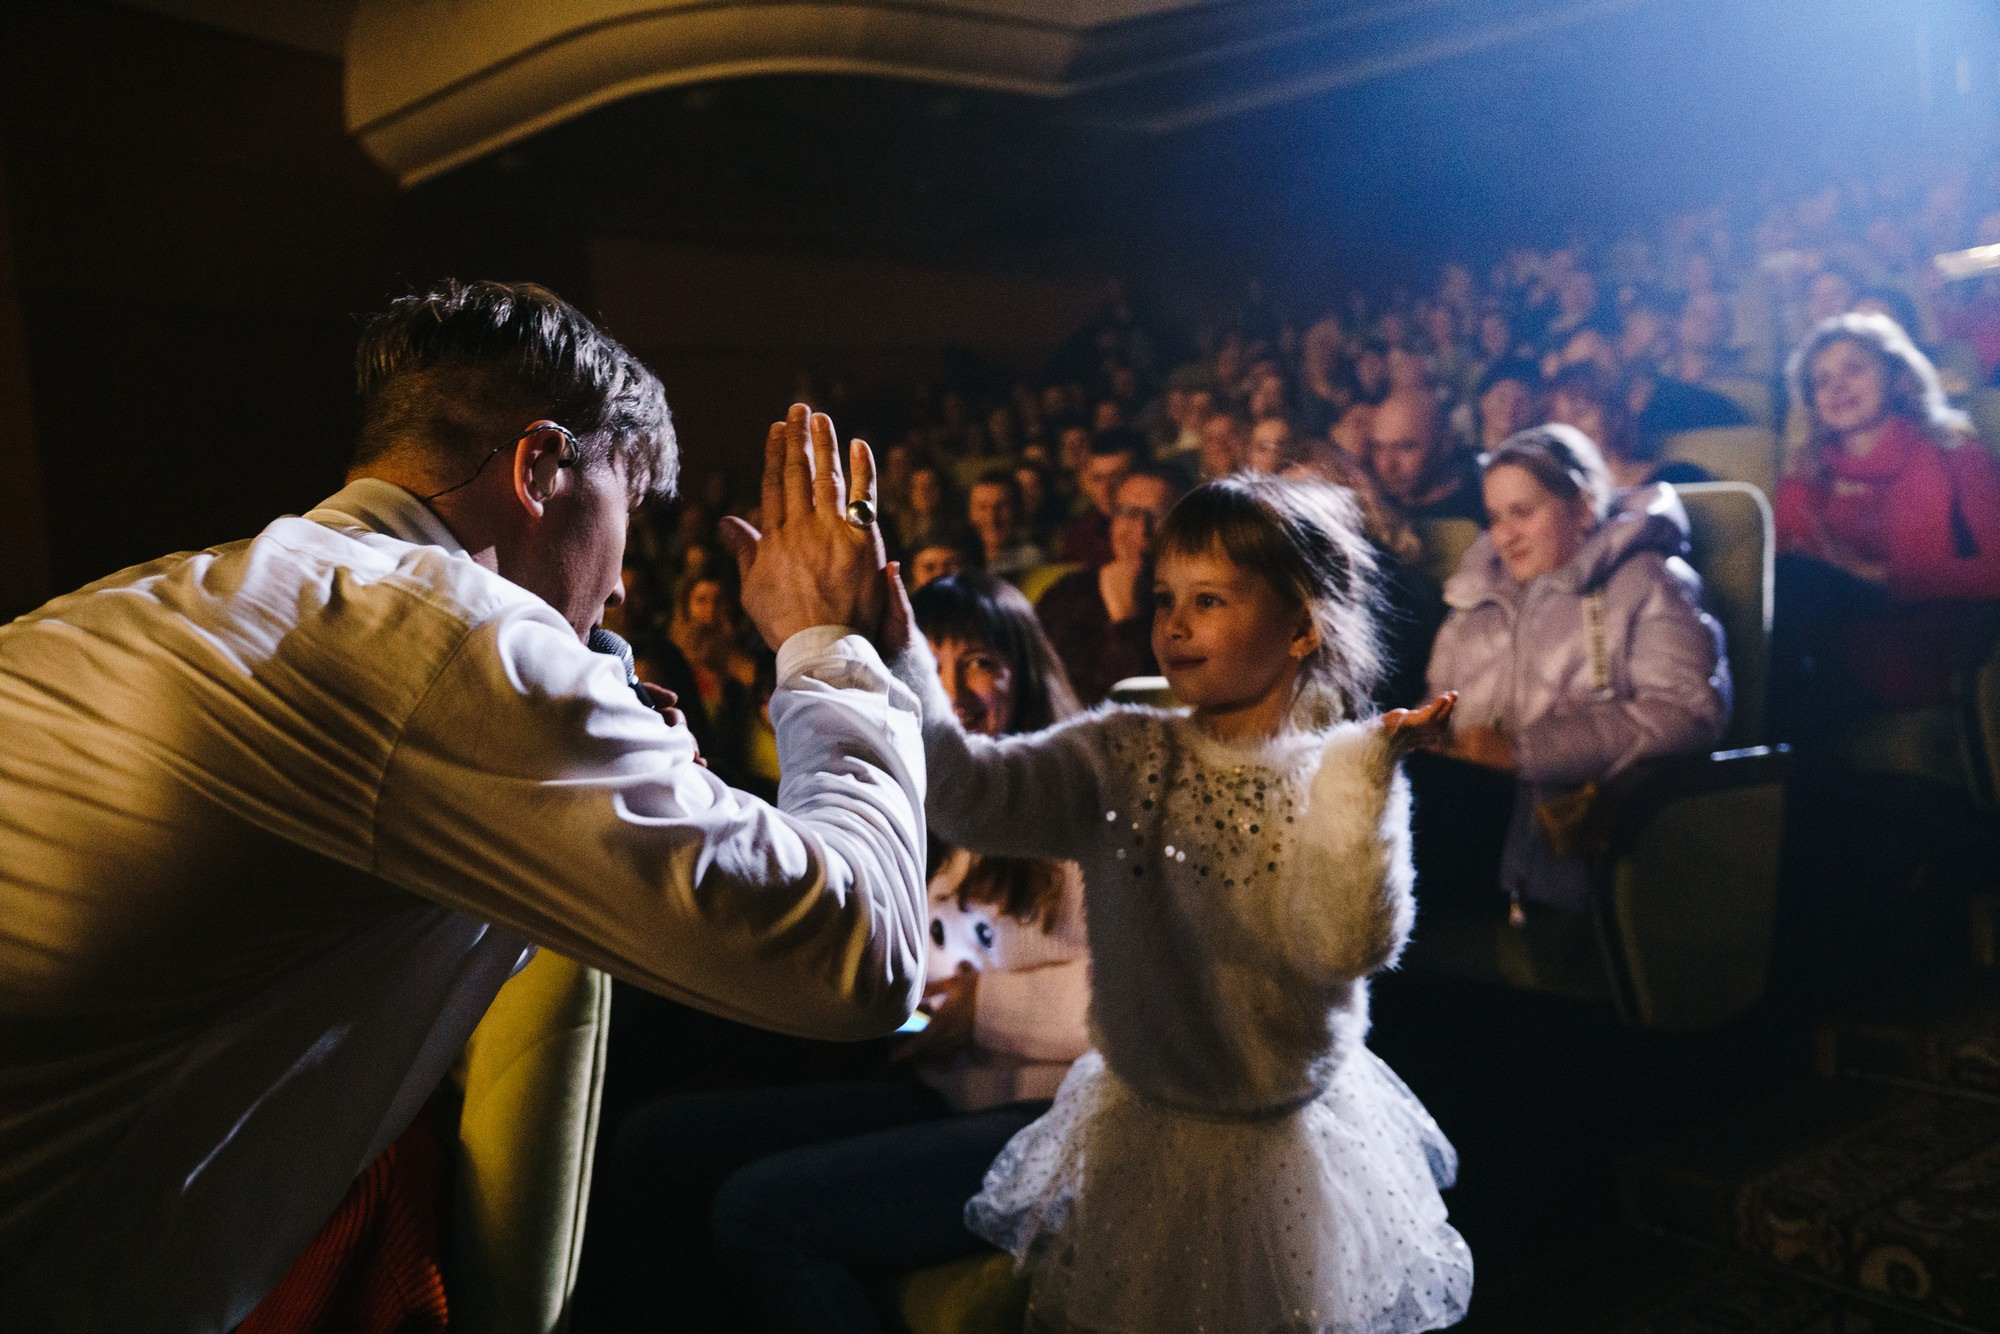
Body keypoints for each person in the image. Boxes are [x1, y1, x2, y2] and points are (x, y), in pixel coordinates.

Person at [0, 281, 929, 1330]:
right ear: (539, 468)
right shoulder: (444, 631)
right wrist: (827, 645)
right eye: (620, 515)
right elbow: (860, 949)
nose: (619, 589)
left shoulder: (188, 590)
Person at [884, 475, 1474, 1334]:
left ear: (1303, 624)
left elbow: (1345, 942)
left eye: (1209, 600)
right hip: (1150, 1128)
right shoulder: (1120, 752)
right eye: (1165, 598)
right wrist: (896, 648)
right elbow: (968, 797)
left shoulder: (1341, 773)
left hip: (1284, 1144)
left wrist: (1366, 777)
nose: (1174, 623)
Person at [584, 573, 1090, 1334]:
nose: (956, 692)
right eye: (935, 668)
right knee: (657, 1142)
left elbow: (1148, 1006)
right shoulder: (937, 813)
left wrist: (984, 1010)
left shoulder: (1079, 807)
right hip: (942, 1088)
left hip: (1052, 1118)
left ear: (1028, 673)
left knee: (760, 1214)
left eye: (982, 662)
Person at [1421, 425, 1730, 916]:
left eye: (1523, 512)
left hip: (1569, 834)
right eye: (1494, 517)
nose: (1503, 535)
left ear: (1583, 507)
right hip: (1472, 814)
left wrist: (1522, 751)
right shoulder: (1476, 599)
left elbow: (1687, 714)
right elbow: (1437, 704)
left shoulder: (1648, 581)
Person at [1770, 313, 2000, 731]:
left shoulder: (1956, 454)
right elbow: (1782, 560)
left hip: (1928, 631)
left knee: (1792, 585)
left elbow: (1994, 572)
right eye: (1822, 381)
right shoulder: (1807, 471)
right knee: (1780, 587)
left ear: (1897, 378)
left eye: (1854, 369)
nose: (1836, 388)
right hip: (1828, 637)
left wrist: (1873, 574)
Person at [1036, 464, 1190, 704]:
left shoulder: (1196, 603)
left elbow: (1147, 707)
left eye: (1158, 516)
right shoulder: (1068, 592)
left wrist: (1126, 620)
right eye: (1128, 512)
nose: (1142, 530)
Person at [1546, 362, 1715, 492]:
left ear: (1615, 416)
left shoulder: (1680, 478)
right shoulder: (1555, 499)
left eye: (1581, 413)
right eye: (1557, 421)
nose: (1568, 429)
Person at [1367, 391, 1486, 523]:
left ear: (1445, 443)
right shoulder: (1369, 512)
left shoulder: (1487, 502)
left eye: (1405, 447)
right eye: (1378, 447)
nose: (1387, 465)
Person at [1057, 429, 1145, 566]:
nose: (1106, 490)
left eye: (1117, 478)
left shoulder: (1159, 528)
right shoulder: (1080, 533)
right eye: (1097, 479)